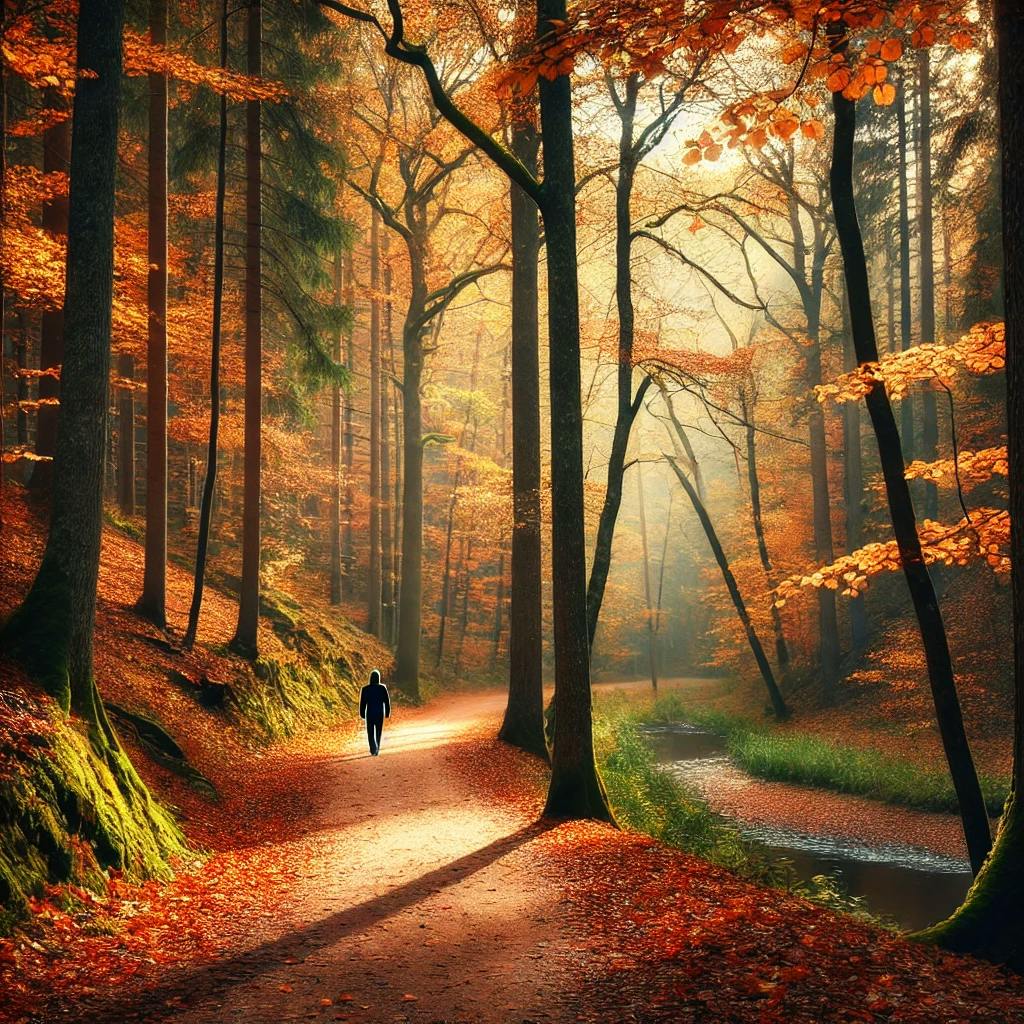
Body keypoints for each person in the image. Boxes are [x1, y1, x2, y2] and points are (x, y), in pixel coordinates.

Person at [359, 669, 390, 756]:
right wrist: (387, 712)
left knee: (370, 732)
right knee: (378, 731)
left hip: (370, 713)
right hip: (379, 713)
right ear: (378, 678)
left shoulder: (365, 689)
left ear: (370, 678)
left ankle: (373, 748)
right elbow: (386, 701)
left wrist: (361, 713)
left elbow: (363, 702)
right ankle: (377, 748)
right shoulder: (382, 688)